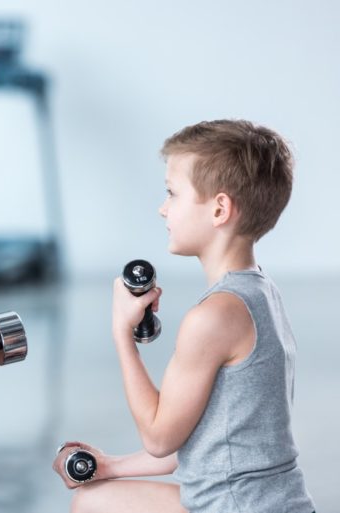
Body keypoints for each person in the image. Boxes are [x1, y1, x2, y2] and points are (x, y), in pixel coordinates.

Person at [53, 119, 315, 513]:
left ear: (220, 209)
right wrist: (111, 466)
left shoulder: (213, 317)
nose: (163, 208)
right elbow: (206, 439)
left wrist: (122, 334)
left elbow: (160, 438)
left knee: (92, 507)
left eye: (172, 193)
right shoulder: (261, 293)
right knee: (98, 497)